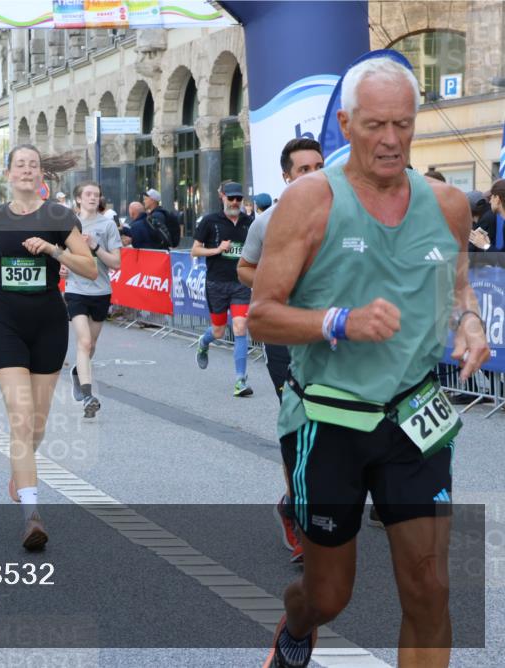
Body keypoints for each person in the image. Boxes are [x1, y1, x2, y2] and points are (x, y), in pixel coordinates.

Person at [248, 57, 489, 668]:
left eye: (403, 124)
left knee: (431, 588)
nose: (390, 139)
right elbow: (262, 315)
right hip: (328, 419)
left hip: (414, 416)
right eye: (376, 124)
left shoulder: (448, 205)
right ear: (346, 124)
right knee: (329, 595)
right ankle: (297, 622)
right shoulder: (310, 202)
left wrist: (468, 321)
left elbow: (458, 288)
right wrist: (338, 322)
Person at [0, 144, 97, 550]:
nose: (26, 170)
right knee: (21, 418)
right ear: (8, 173)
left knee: (36, 425)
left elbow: (90, 267)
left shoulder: (59, 217)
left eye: (33, 165)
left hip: (48, 325)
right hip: (6, 324)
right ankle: (32, 515)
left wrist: (54, 250)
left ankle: (19, 471)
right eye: (20, 164)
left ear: (41, 174)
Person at [237, 138, 325, 564]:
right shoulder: (267, 221)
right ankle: (298, 513)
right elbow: (244, 267)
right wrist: (276, 285)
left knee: (332, 428)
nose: (313, 175)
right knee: (297, 427)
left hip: (329, 338)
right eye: (303, 169)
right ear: (287, 177)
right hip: (284, 336)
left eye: (318, 167)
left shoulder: (345, 215)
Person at [62, 181, 122, 419]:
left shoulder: (108, 225)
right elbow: (58, 252)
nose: (93, 198)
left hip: (100, 291)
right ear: (78, 199)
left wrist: (95, 246)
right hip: (76, 290)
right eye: (88, 194)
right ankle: (88, 395)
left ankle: (78, 373)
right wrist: (61, 266)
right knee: (84, 342)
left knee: (91, 345)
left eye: (96, 194)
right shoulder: (68, 225)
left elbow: (116, 263)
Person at [191, 180, 255, 397]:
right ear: (222, 197)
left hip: (240, 283)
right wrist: (217, 249)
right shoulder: (210, 221)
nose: (235, 202)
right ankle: (203, 342)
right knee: (218, 331)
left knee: (240, 327)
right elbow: (195, 251)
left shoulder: (249, 222)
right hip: (216, 283)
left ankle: (240, 380)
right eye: (231, 198)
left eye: (239, 198)